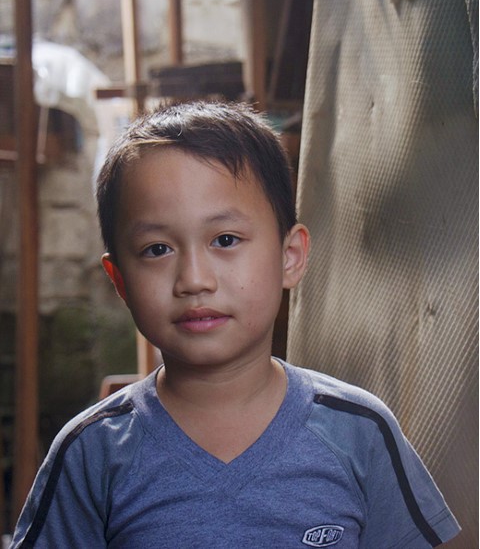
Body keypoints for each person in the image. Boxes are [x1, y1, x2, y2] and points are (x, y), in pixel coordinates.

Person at [11, 101, 460, 548]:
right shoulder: (93, 453)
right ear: (120, 280)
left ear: (290, 257)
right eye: (156, 249)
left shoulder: (358, 432)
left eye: (225, 240)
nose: (194, 280)